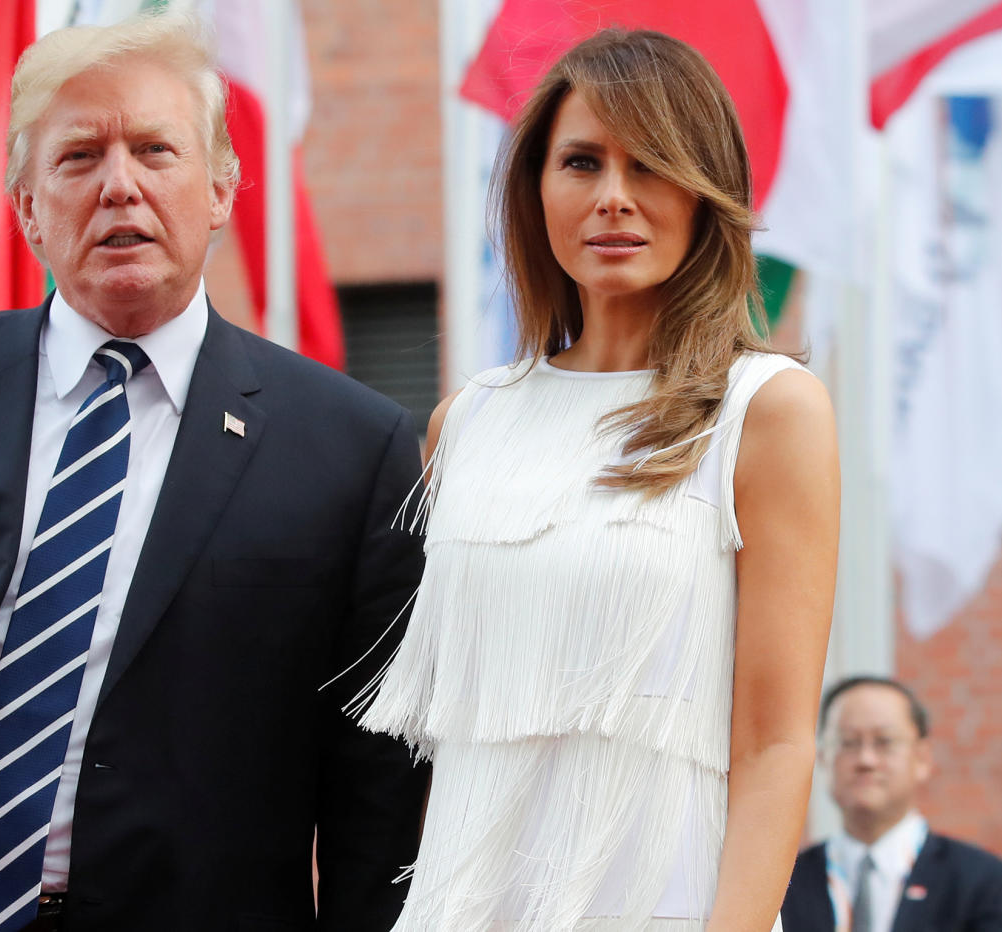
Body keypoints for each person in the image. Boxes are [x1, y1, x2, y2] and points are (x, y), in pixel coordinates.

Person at [0, 13, 427, 932]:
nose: (122, 186)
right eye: (79, 157)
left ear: (223, 188)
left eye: (157, 150)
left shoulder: (355, 452)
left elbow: (379, 791)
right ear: (28, 206)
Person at [359, 28, 839, 931]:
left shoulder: (768, 410)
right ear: (536, 189)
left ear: (705, 195)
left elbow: (776, 744)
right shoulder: (466, 422)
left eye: (650, 165)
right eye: (582, 162)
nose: (614, 198)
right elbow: (458, 735)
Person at [782, 677, 1002, 931]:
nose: (866, 760)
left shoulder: (982, 882)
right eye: (848, 742)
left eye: (884, 741)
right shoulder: (786, 884)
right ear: (821, 757)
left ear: (922, 758)